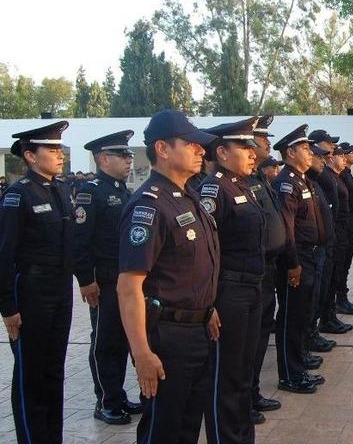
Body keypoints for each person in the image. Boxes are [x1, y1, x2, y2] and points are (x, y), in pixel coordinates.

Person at [116, 109, 220, 444]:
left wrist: (205, 307)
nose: (201, 150)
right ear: (162, 149)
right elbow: (128, 287)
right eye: (191, 144)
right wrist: (142, 353)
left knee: (187, 428)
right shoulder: (149, 206)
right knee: (163, 429)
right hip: (167, 337)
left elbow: (188, 267)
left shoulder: (188, 197)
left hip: (197, 331)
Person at [0, 121, 75, 443]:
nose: (60, 155)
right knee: (31, 375)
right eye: (52, 149)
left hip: (60, 290)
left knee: (54, 371)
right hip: (32, 292)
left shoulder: (60, 189)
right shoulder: (19, 195)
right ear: (31, 156)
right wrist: (7, 306)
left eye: (60, 149)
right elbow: (4, 252)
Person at [195, 118, 266, 443]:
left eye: (253, 147)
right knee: (225, 376)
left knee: (243, 373)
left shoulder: (242, 186)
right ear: (222, 152)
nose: (253, 153)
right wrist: (210, 302)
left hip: (251, 288)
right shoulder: (214, 189)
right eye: (245, 147)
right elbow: (206, 252)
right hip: (229, 293)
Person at [73, 130, 140, 425]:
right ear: (103, 159)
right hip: (104, 282)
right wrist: (86, 280)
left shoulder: (124, 191)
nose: (128, 160)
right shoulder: (91, 193)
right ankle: (106, 401)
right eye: (122, 155)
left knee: (123, 340)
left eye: (129, 155)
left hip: (124, 280)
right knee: (105, 342)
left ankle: (118, 395)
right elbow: (79, 241)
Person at [272, 124, 328, 394]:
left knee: (302, 315)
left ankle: (298, 366)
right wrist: (293, 264)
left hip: (310, 256)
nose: (310, 153)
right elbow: (287, 228)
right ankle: (290, 375)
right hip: (297, 261)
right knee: (290, 319)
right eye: (305, 148)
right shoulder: (286, 182)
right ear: (290, 152)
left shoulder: (302, 179)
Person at [245, 115, 284, 422]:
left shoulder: (258, 179)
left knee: (258, 339)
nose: (268, 144)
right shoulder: (234, 185)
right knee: (244, 346)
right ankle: (242, 400)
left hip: (265, 270)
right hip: (245, 277)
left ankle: (252, 392)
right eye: (262, 139)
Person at [307, 129, 353, 336]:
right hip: (325, 237)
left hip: (334, 232)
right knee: (321, 285)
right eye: (328, 143)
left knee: (331, 280)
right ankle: (321, 323)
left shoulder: (325, 171)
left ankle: (328, 317)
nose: (332, 147)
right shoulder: (319, 173)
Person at [335, 142, 353, 314]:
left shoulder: (348, 174)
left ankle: (342, 298)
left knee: (346, 263)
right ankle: (340, 299)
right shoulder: (341, 175)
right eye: (352, 152)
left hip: (352, 223)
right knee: (341, 264)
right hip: (346, 224)